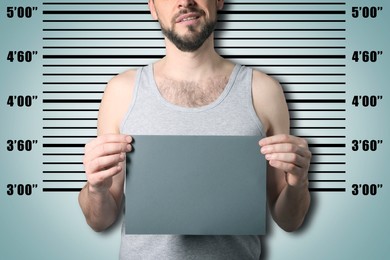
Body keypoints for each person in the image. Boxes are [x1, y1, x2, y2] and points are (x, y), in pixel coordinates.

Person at [79, 0, 311, 259]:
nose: (185, 2)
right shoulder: (121, 92)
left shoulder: (263, 90)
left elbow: (289, 220)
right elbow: (99, 220)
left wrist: (298, 183)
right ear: (152, 8)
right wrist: (96, 188)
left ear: (219, 1)